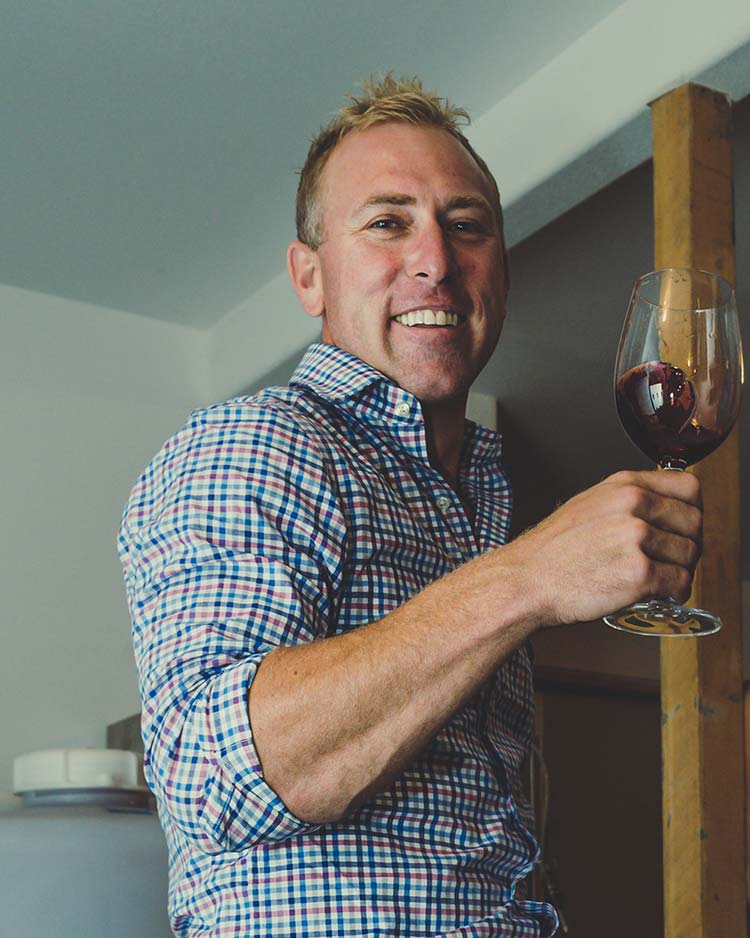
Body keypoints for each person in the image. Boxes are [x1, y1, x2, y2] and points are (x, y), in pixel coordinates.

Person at [118, 75, 702, 937]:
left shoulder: (468, 500)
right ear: (309, 277)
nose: (436, 257)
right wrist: (531, 577)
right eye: (387, 222)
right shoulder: (257, 441)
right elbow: (216, 777)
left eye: (466, 226)